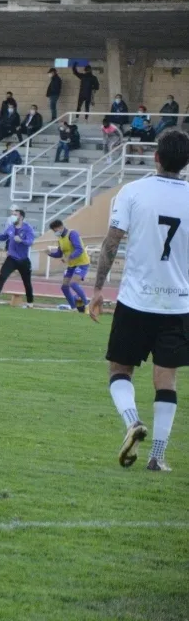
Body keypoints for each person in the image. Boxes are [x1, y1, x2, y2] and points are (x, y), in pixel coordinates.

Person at [89, 129, 189, 472]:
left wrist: (98, 288)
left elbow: (111, 243)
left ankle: (132, 421)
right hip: (178, 304)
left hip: (136, 301)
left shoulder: (132, 192)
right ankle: (157, 456)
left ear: (155, 157)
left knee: (120, 370)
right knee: (167, 378)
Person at [0, 208, 36, 307]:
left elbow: (30, 241)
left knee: (27, 282)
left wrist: (22, 240)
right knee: (2, 276)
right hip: (11, 258)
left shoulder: (28, 228)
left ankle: (30, 302)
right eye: (12, 214)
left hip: (23, 259)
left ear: (21, 217)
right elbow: (3, 237)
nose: (13, 216)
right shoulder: (11, 227)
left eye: (15, 214)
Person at [47, 218, 90, 313]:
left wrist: (68, 258)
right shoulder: (60, 238)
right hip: (72, 265)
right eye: (53, 231)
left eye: (55, 230)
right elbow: (59, 253)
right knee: (64, 287)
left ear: (61, 227)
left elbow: (79, 249)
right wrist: (50, 253)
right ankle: (74, 308)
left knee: (73, 283)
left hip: (82, 263)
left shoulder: (72, 234)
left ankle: (87, 305)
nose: (55, 233)